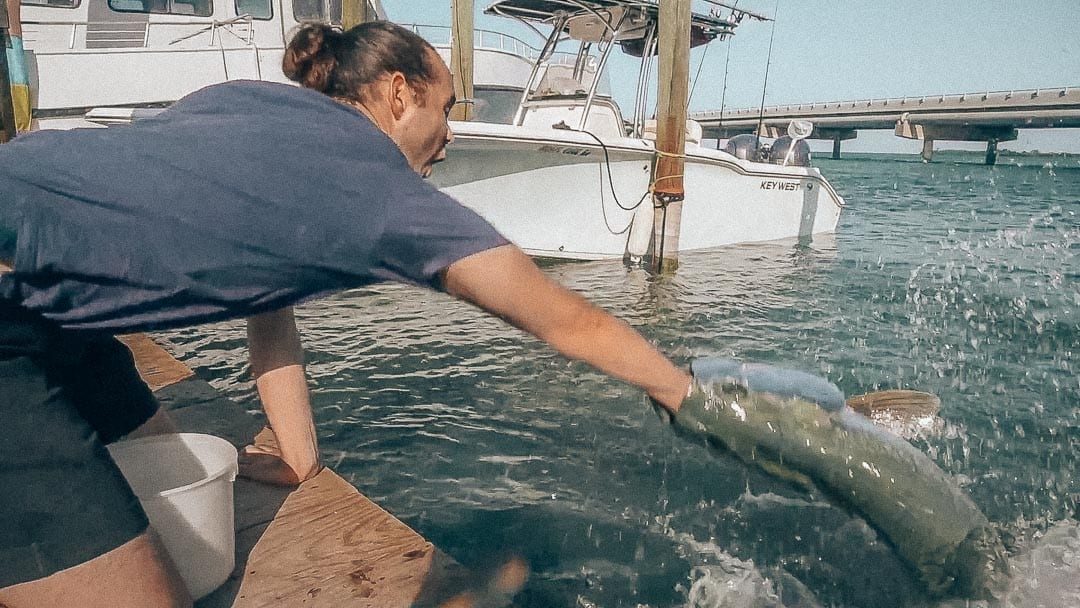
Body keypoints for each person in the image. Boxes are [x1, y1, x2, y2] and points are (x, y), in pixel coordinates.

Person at [0, 21, 692, 607]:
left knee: (174, 464)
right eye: (445, 107)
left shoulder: (254, 102)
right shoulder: (380, 194)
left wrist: (299, 456)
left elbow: (263, 295)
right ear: (399, 93)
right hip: (9, 315)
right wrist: (684, 393)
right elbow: (566, 322)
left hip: (52, 309)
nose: (449, 135)